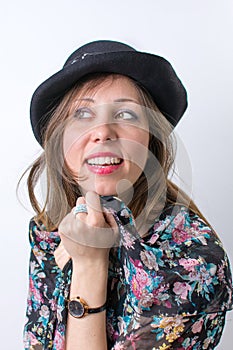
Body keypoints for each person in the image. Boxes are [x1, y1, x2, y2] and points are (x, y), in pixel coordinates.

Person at [22, 40, 233, 350]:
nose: (103, 131)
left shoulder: (194, 261)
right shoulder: (49, 233)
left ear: (150, 141)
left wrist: (90, 265)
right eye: (82, 113)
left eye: (126, 114)